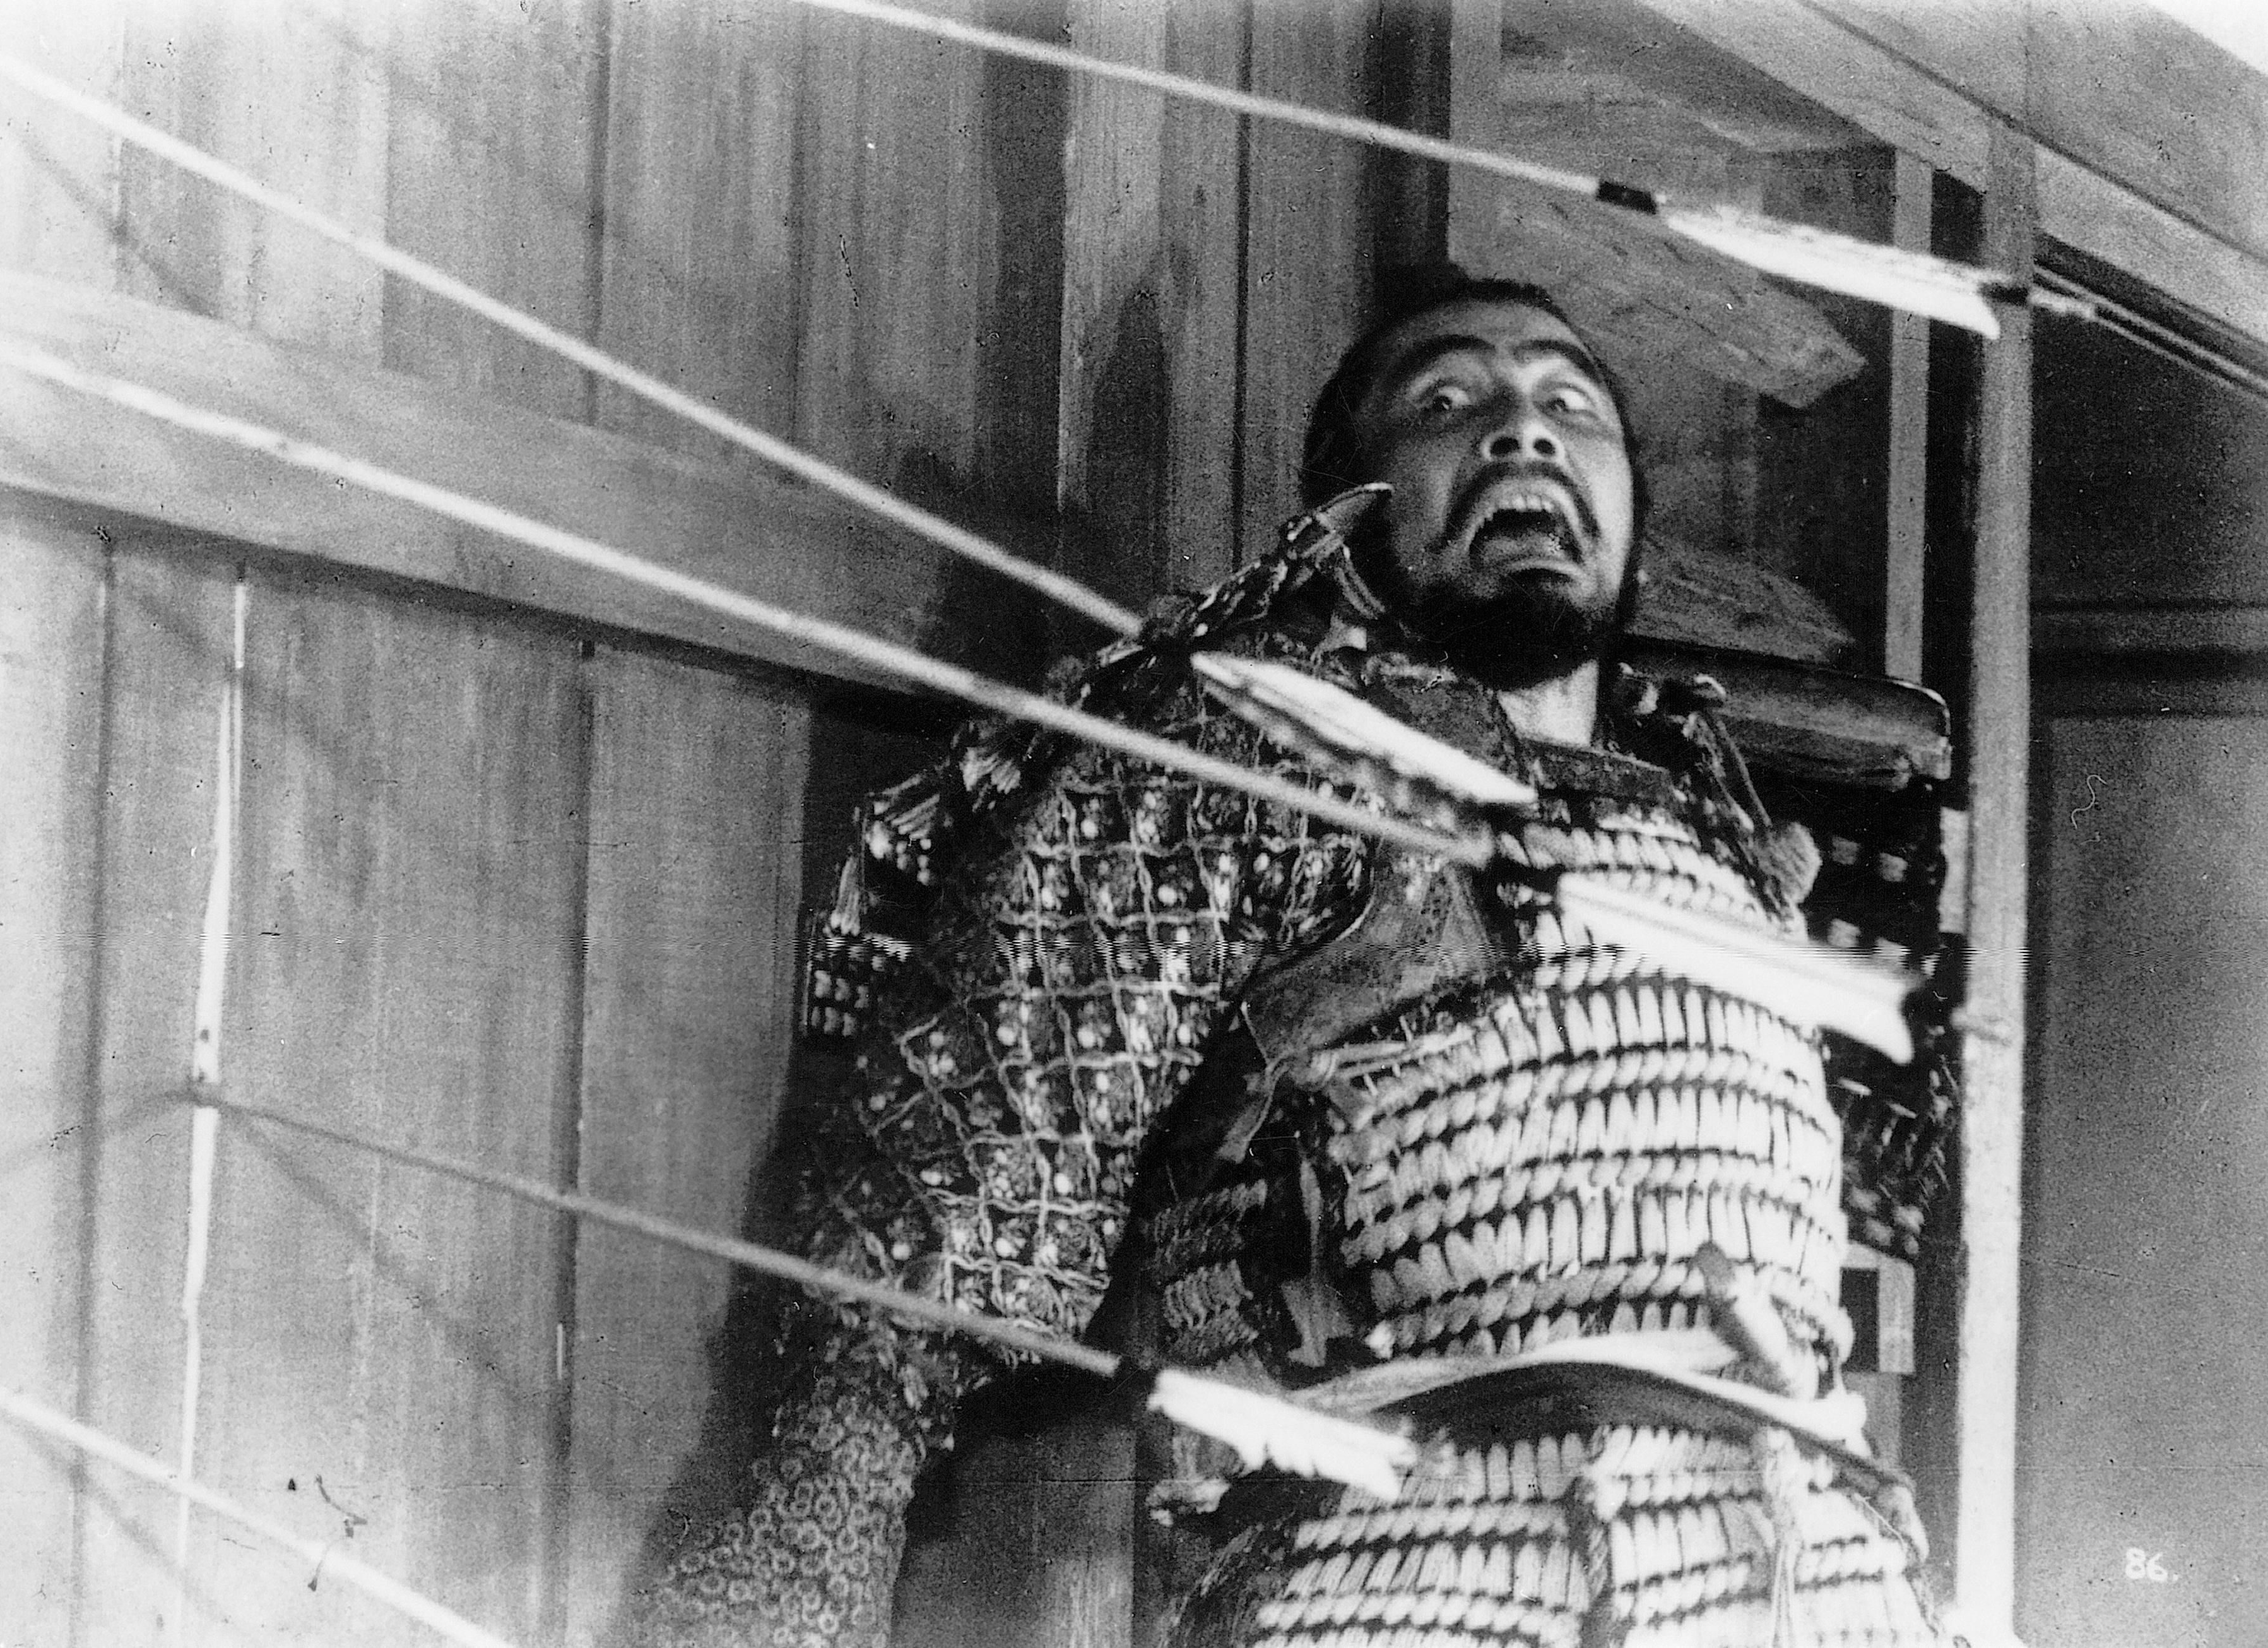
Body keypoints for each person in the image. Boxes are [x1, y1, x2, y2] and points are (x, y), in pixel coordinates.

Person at [629, 269, 1946, 1647]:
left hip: (1806, 1583)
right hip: (1411, 1584)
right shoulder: (1245, 761)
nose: (1522, 428)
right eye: (1448, 399)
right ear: (1346, 513)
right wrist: (791, 1579)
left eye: (1571, 404)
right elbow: (942, 1210)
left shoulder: (1715, 826)